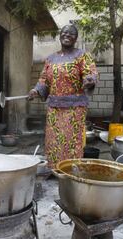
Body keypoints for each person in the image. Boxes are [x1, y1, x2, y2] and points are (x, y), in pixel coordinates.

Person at [28, 24, 98, 168]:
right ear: (60, 36)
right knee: (53, 140)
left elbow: (90, 73)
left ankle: (70, 171)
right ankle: (54, 169)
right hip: (54, 108)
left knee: (71, 141)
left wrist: (89, 80)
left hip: (75, 108)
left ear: (76, 38)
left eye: (71, 33)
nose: (67, 35)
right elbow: (44, 79)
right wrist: (36, 90)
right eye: (64, 32)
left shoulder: (82, 55)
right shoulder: (51, 59)